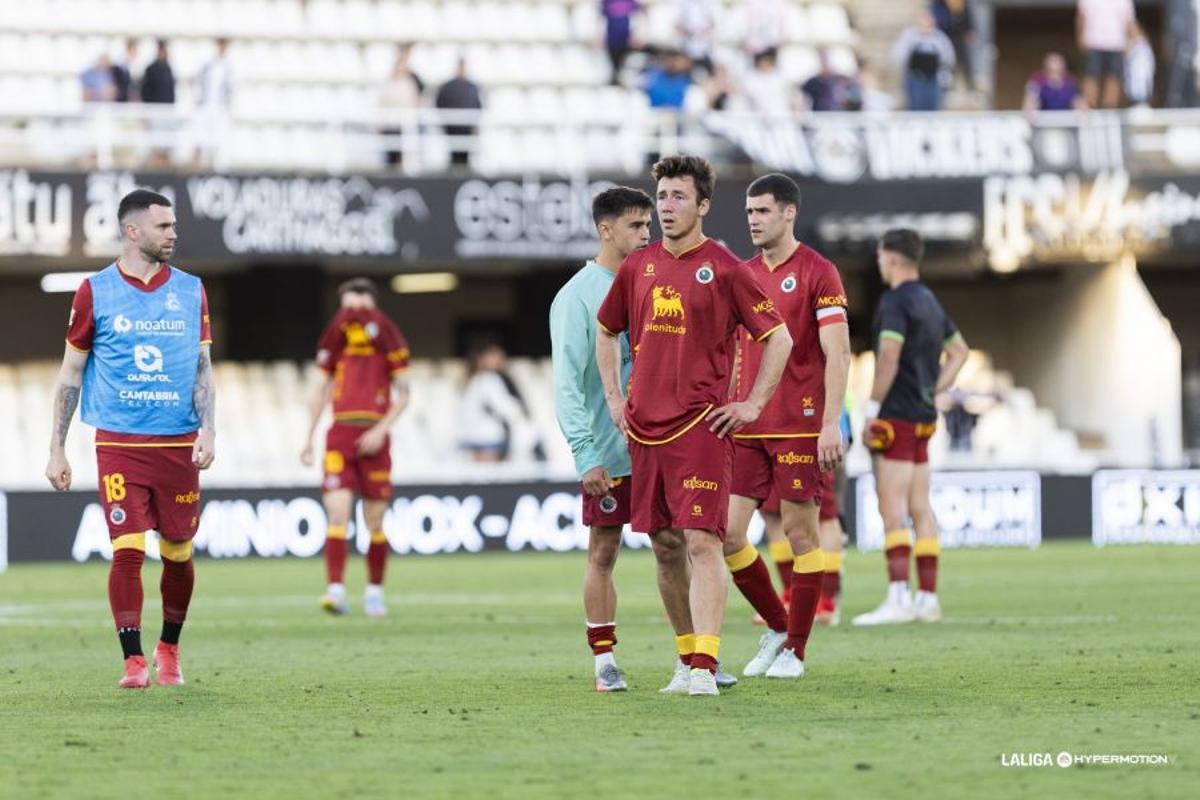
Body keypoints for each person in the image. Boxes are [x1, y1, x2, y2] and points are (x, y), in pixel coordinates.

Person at [596, 155, 793, 696]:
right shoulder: (639, 266)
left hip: (702, 429)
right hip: (643, 430)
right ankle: (686, 660)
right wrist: (614, 395)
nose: (666, 206)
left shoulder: (727, 268)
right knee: (663, 545)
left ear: (703, 205)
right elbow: (606, 330)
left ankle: (706, 665)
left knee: (704, 542)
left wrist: (752, 403)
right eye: (661, 197)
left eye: (679, 197)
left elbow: (778, 338)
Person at [45, 189, 216, 689]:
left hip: (177, 441)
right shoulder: (93, 291)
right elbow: (71, 372)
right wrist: (56, 446)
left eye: (173, 226)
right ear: (133, 231)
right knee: (127, 549)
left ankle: (169, 647)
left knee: (179, 551)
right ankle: (133, 661)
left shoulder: (191, 290)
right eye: (164, 226)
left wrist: (209, 428)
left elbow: (204, 368)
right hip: (119, 442)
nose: (173, 234)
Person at [727, 174, 850, 680]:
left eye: (762, 211)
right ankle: (780, 627)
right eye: (749, 212)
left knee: (801, 535)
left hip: (799, 425)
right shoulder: (742, 274)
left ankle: (796, 652)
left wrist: (829, 425)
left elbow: (837, 352)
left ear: (788, 213)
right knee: (727, 534)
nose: (753, 220)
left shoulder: (820, 272)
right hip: (747, 425)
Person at [550, 187, 653, 692]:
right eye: (636, 226)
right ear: (605, 229)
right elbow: (567, 384)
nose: (646, 234)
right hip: (609, 452)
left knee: (679, 545)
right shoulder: (577, 297)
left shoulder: (657, 281)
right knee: (604, 551)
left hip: (661, 445)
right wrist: (584, 454)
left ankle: (695, 658)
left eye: (648, 225)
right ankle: (604, 661)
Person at [853, 229, 969, 627]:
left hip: (897, 415)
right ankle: (928, 598)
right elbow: (959, 351)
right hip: (922, 416)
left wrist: (871, 407)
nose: (880, 265)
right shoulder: (931, 302)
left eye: (882, 258)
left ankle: (898, 597)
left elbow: (888, 356)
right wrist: (933, 390)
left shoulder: (895, 301)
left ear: (893, 259)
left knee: (892, 509)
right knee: (921, 507)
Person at [301, 279, 411, 618]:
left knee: (374, 521)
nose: (354, 315)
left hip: (374, 436)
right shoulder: (335, 340)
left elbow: (404, 392)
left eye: (360, 307)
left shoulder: (388, 339)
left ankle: (374, 592)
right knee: (337, 513)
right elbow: (320, 388)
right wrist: (308, 437)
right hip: (341, 434)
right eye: (348, 307)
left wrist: (381, 430)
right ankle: (335, 590)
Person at [1077, 0, 1137, 109]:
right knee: (1091, 77)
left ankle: (1109, 108)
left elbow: (1129, 21)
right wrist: (1081, 37)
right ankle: (1090, 107)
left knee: (1113, 78)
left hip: (1116, 44)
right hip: (1093, 42)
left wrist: (1130, 41)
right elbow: (1081, 17)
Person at [892, 11, 955, 111]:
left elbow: (948, 58)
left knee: (932, 109)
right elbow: (898, 56)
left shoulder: (939, 38)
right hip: (915, 79)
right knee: (915, 109)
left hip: (933, 80)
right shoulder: (910, 36)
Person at [380, 43, 425, 169]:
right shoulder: (389, 84)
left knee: (407, 154)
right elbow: (383, 103)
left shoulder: (411, 82)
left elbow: (417, 100)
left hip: (406, 124)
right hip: (391, 124)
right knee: (392, 155)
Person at [193, 38, 234, 169]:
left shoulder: (229, 66)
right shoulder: (208, 64)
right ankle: (202, 166)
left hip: (220, 107)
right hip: (206, 106)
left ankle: (218, 168)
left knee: (219, 139)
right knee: (202, 138)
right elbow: (198, 82)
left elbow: (231, 88)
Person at [435, 57, 482, 167]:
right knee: (453, 154)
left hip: (467, 127)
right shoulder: (447, 86)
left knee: (466, 154)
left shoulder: (472, 86)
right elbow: (440, 103)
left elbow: (478, 106)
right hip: (452, 127)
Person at [141, 40, 176, 166]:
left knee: (166, 141)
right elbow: (145, 92)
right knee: (154, 141)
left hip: (167, 111)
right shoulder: (151, 69)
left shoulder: (169, 68)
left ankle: (165, 165)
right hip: (154, 110)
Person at [931, 0, 977, 91]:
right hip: (944, 35)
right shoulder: (939, 3)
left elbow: (967, 14)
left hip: (958, 35)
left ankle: (969, 84)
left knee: (964, 60)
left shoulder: (962, 3)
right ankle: (947, 85)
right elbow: (938, 18)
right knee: (946, 61)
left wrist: (969, 30)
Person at [601, 0, 641, 85]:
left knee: (627, 64)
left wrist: (636, 35)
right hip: (611, 39)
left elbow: (637, 17)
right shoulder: (606, 2)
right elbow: (600, 18)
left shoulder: (631, 2)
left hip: (627, 40)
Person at [1125, 23, 1156, 108]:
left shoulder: (1143, 45)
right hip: (1133, 77)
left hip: (1141, 76)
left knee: (1141, 90)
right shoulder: (1131, 43)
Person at [111, 38, 139, 102]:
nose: (137, 52)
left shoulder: (133, 63)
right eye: (135, 49)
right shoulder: (121, 62)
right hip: (122, 97)